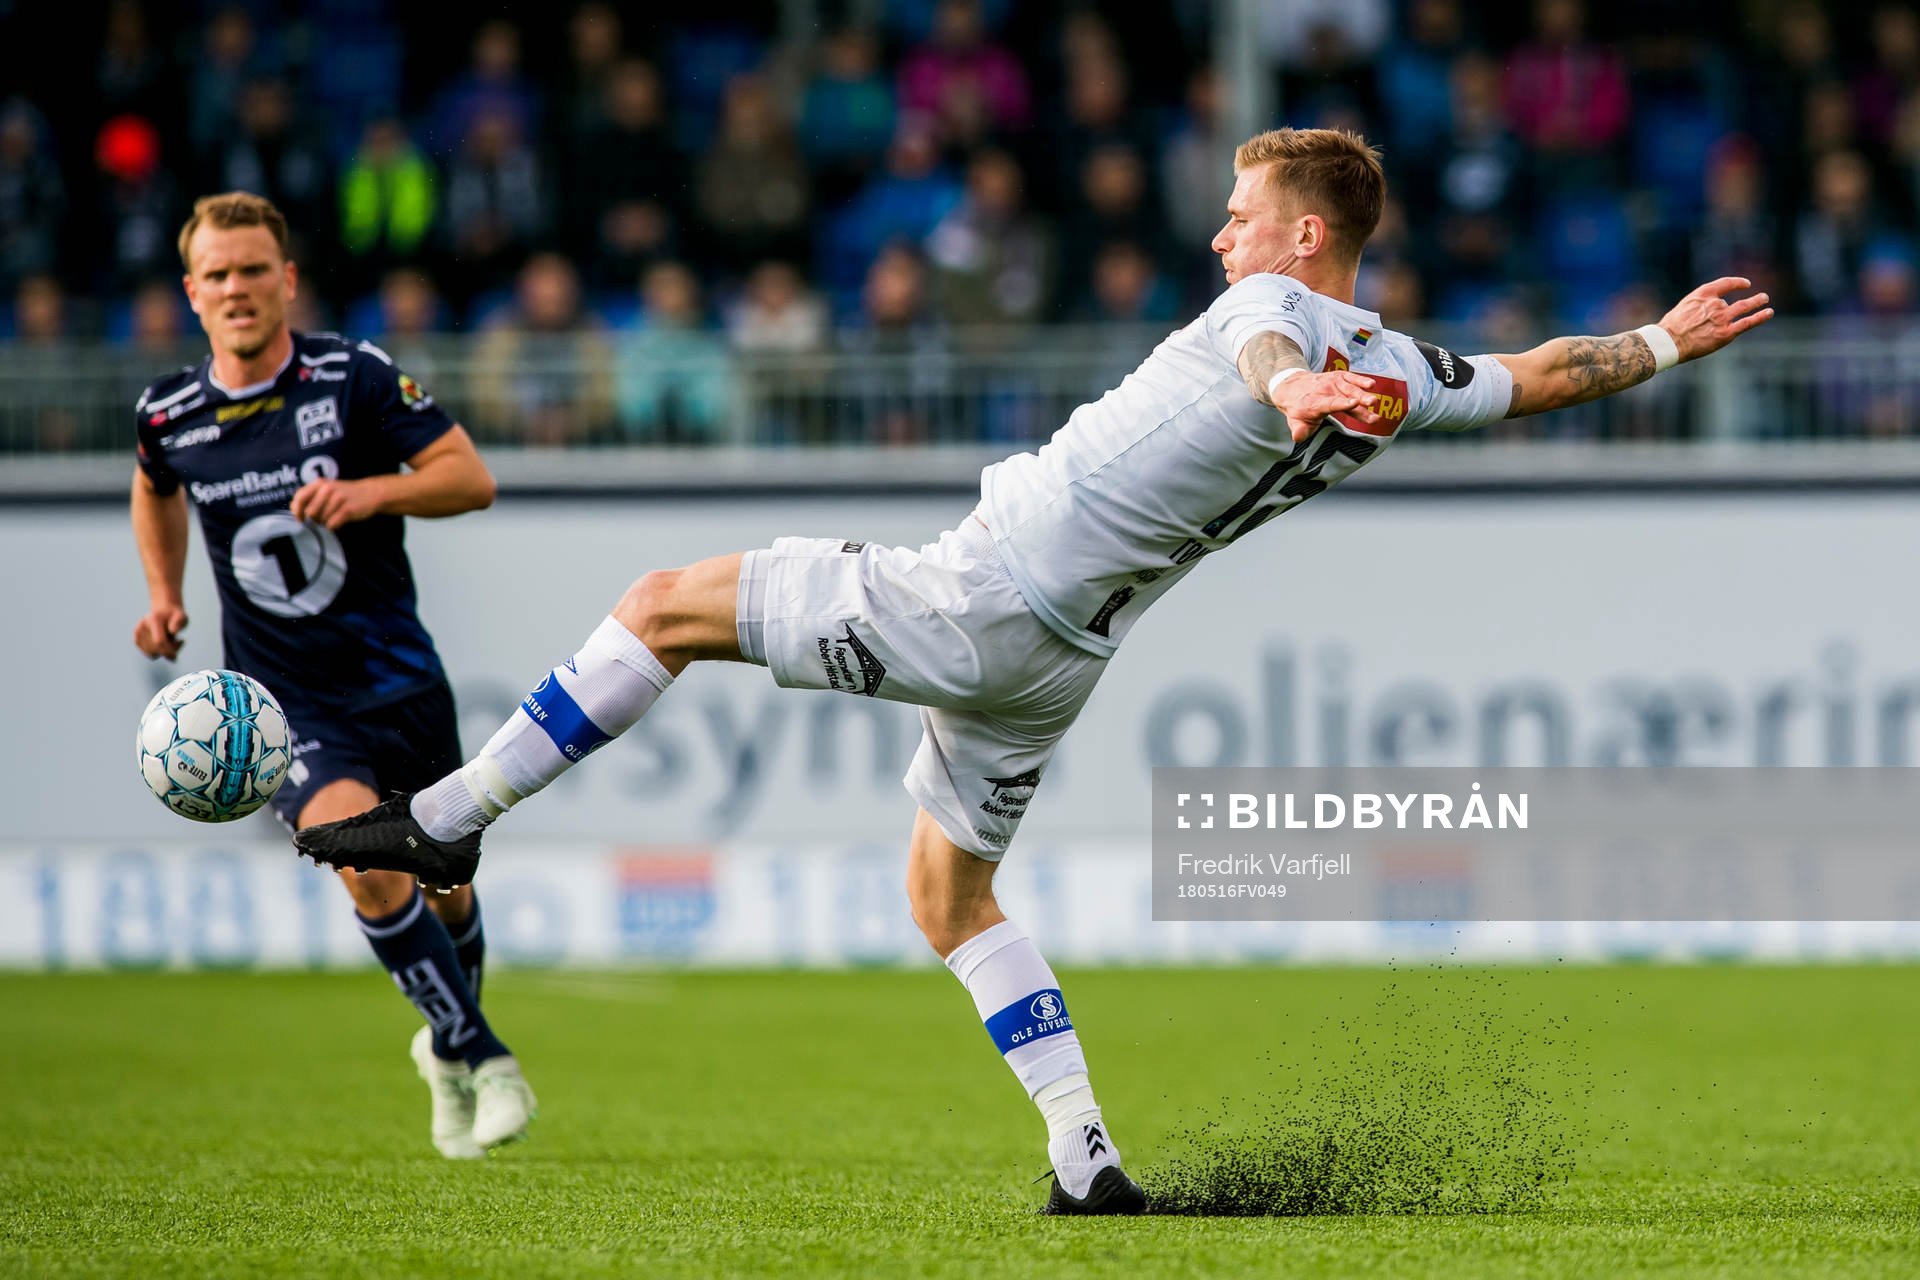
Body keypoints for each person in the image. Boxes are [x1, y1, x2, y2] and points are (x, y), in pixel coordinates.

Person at [293, 129, 1773, 1210]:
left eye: (1245, 216)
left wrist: (1286, 378)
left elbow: (1262, 344)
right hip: (1059, 662)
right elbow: (1544, 373)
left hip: (981, 595)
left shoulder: (1283, 319)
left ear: (1305, 236)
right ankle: (1086, 1157)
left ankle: (455, 815)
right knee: (950, 896)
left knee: (662, 606)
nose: (1224, 240)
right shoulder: (1400, 364)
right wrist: (1663, 338)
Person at [129, 192, 537, 1160]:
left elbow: (469, 477)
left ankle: (442, 1040)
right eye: (217, 274)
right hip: (284, 702)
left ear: (287, 279)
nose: (237, 288)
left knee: (448, 887)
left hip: (399, 679)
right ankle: (485, 1056)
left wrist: (373, 489)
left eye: (253, 270)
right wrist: (162, 591)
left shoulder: (351, 377)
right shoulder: (170, 413)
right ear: (193, 292)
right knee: (362, 858)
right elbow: (154, 487)